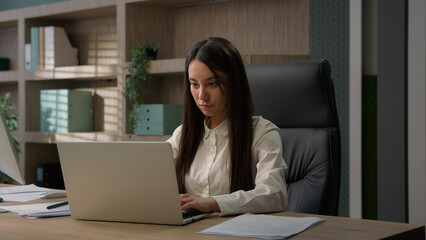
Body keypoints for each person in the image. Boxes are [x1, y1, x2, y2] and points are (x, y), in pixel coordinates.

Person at [167, 37, 288, 215]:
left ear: (234, 83)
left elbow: (274, 194)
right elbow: (148, 173)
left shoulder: (262, 133)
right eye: (194, 84)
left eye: (212, 84)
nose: (202, 96)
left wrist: (212, 203)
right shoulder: (183, 134)